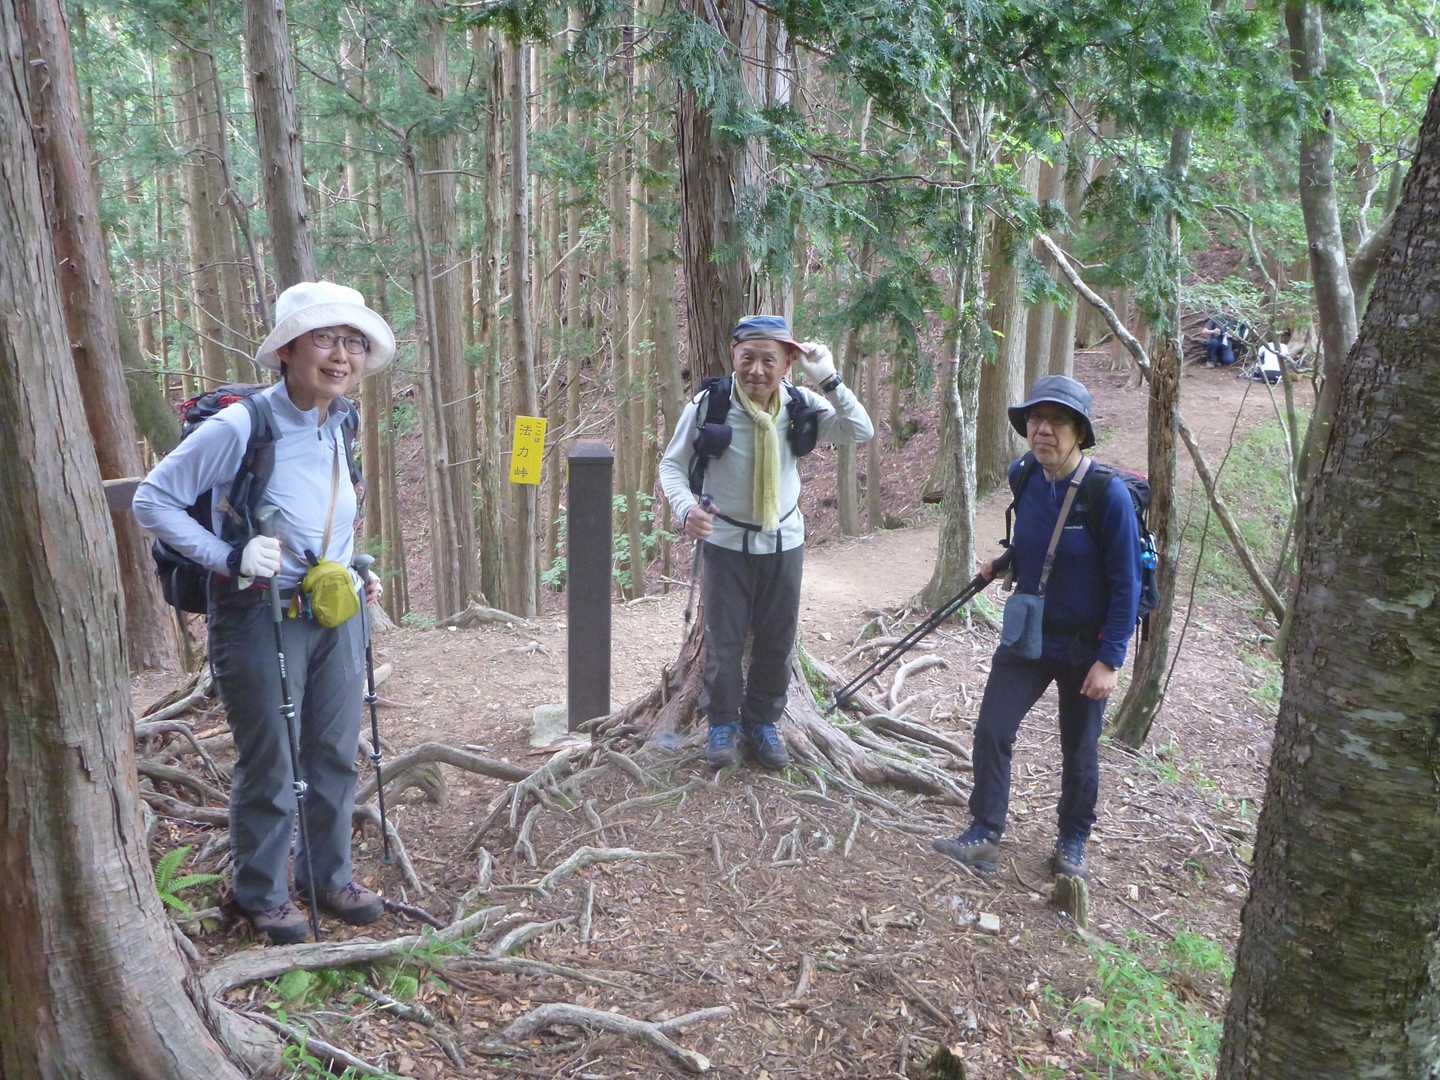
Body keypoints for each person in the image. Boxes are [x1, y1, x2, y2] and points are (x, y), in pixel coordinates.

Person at [133, 281, 395, 944]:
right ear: (287, 350)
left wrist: (353, 567)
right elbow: (152, 501)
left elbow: (321, 514)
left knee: (335, 751)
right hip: (258, 613)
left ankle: (328, 877)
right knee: (272, 760)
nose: (341, 355)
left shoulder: (341, 420)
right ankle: (262, 892)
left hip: (335, 611)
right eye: (325, 339)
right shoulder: (241, 425)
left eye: (353, 342)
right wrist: (227, 556)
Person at [932, 375, 1139, 879]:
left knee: (1079, 746)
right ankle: (984, 833)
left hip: (1086, 644)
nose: (1043, 429)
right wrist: (1004, 563)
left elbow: (1126, 583)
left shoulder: (1106, 495)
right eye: (1036, 419)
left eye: (1057, 421)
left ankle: (1072, 842)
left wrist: (1110, 659)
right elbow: (1038, 540)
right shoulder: (1024, 474)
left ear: (1080, 432)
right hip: (1030, 633)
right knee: (993, 728)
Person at [659, 315, 874, 771]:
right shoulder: (709, 405)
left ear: (788, 363)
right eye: (748, 358)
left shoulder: (801, 405)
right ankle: (722, 725)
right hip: (725, 542)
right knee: (723, 641)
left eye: (768, 360)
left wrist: (829, 378)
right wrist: (686, 509)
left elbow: (860, 430)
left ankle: (763, 723)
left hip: (783, 542)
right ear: (733, 356)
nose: (756, 370)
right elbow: (671, 466)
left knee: (778, 639)